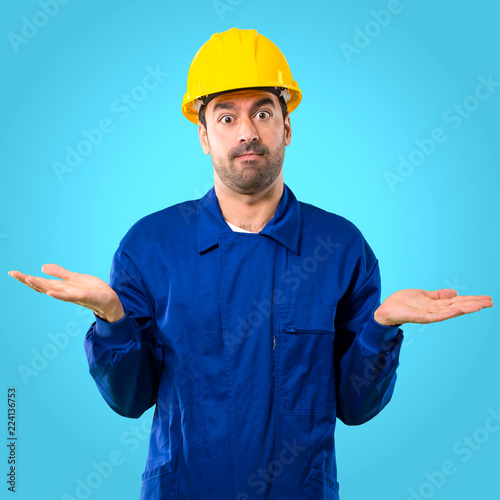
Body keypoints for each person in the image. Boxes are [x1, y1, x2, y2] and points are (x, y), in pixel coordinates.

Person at [8, 28, 493, 500]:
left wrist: (381, 327)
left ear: (286, 127)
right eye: (226, 117)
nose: (247, 132)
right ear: (203, 135)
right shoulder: (150, 246)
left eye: (262, 112)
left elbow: (355, 407)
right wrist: (112, 318)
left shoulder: (340, 247)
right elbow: (130, 400)